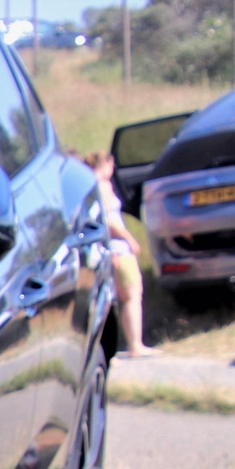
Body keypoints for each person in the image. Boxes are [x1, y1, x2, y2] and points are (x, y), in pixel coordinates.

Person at [90, 150, 156, 357]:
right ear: (105, 165)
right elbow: (110, 221)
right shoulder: (103, 187)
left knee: (116, 297)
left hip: (107, 249)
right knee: (132, 294)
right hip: (118, 247)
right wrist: (129, 238)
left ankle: (126, 343)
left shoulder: (90, 188)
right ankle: (135, 344)